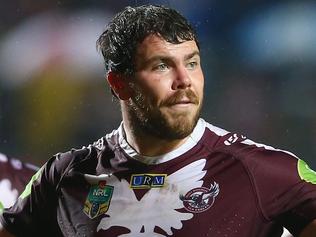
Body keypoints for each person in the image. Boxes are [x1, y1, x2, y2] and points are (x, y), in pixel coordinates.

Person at [0, 4, 315, 237]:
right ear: (119, 83)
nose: (184, 81)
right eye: (162, 66)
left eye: (192, 63)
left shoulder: (263, 173)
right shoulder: (64, 175)